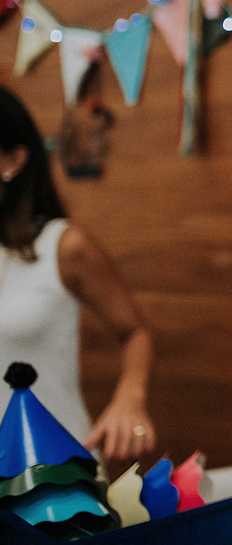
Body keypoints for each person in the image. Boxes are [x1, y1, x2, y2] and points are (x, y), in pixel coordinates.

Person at [0, 85, 156, 466]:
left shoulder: (64, 247)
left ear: (13, 161)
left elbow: (135, 333)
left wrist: (129, 399)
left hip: (56, 477)